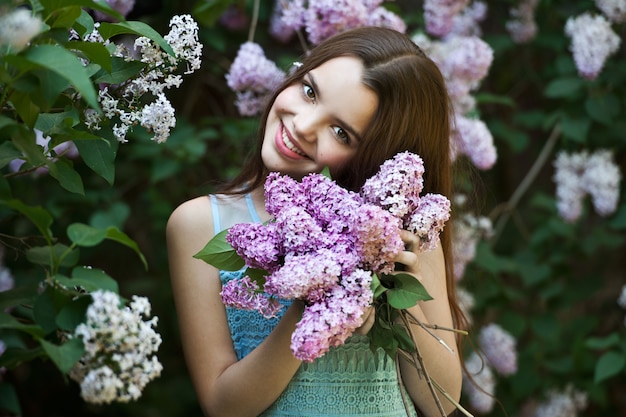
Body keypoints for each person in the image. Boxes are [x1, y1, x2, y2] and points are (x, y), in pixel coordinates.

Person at [166, 26, 464, 417]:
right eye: (309, 91)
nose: (304, 125)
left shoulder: (404, 231)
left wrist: (396, 288)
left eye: (341, 132)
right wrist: (314, 296)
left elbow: (443, 403)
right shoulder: (200, 224)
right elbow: (223, 406)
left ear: (374, 156)